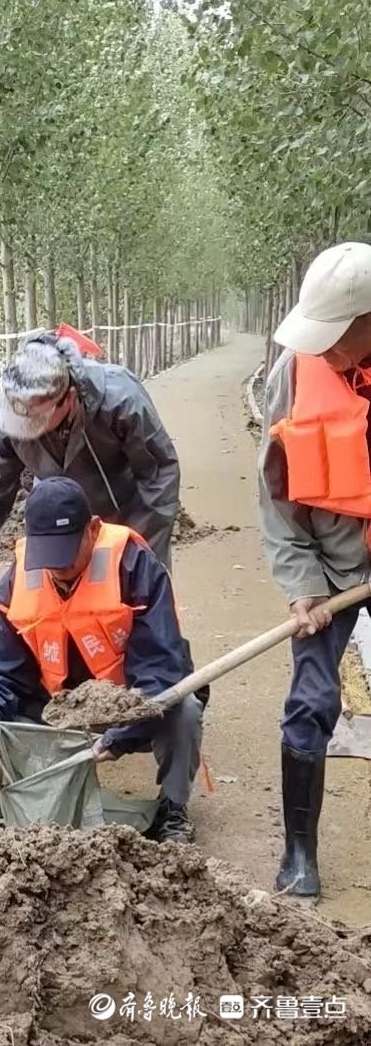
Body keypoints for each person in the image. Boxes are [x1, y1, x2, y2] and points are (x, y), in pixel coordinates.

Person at [0, 477, 204, 844]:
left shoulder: (135, 566)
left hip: (129, 703)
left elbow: (163, 669)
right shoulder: (18, 581)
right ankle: (21, 802)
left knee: (183, 708)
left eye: (66, 553)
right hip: (54, 708)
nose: (57, 568)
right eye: (48, 556)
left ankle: (173, 807)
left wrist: (122, 734)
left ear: (92, 529)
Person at [260, 240, 371, 897]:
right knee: (311, 702)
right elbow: (275, 495)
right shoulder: (295, 374)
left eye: (338, 336)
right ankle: (298, 852)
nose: (324, 348)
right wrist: (301, 585)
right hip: (330, 567)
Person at [0, 331, 180, 605]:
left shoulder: (120, 399)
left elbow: (159, 475)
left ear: (69, 398)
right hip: (58, 531)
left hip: (126, 517)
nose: (27, 429)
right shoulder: (8, 417)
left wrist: (138, 550)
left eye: (36, 420)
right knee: (60, 616)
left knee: (136, 605)